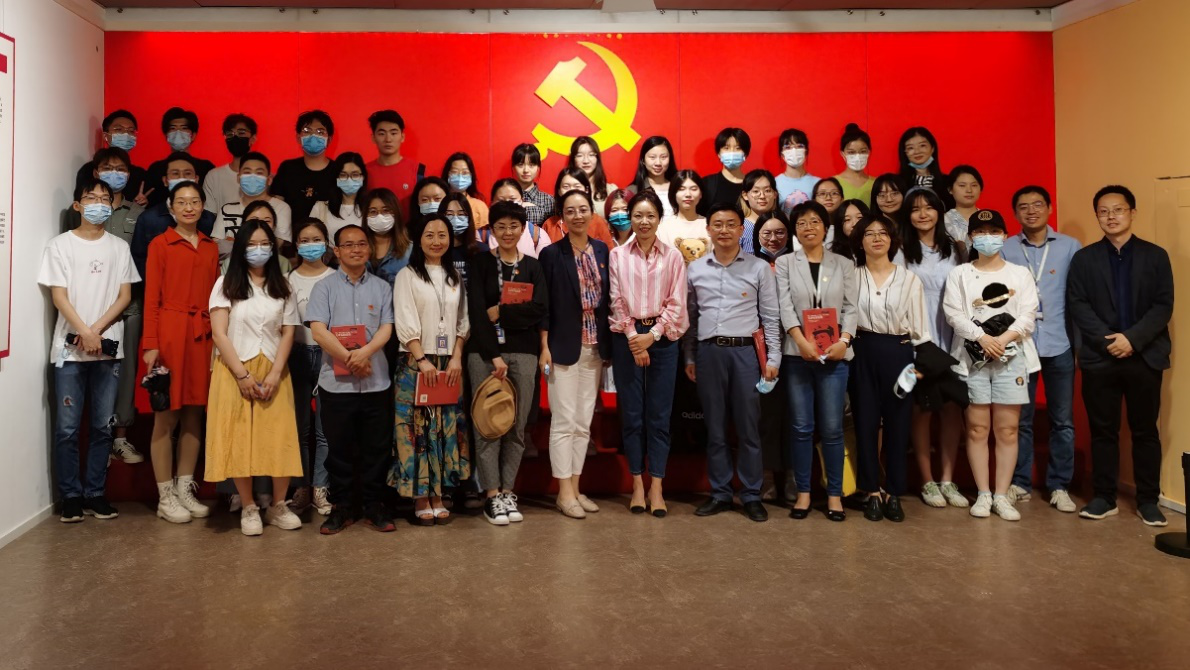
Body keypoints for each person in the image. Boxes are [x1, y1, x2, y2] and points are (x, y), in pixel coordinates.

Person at [1067, 185, 1173, 526]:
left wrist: (1132, 339)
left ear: (1132, 212)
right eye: (1103, 211)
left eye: (1118, 210)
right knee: (1103, 431)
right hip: (1101, 358)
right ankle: (1104, 496)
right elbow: (1078, 305)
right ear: (1097, 216)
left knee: (1145, 431)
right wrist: (1108, 341)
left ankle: (1148, 500)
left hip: (1144, 356)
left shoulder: (1156, 256)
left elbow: (1163, 305)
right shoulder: (1084, 259)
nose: (1111, 216)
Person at [39, 178, 140, 523]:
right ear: (78, 205)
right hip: (69, 350)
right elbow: (59, 296)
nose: (98, 203)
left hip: (107, 348)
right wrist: (83, 331)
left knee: (102, 426)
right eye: (90, 197)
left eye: (104, 198)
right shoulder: (59, 245)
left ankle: (95, 493)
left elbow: (125, 296)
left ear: (112, 206)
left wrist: (95, 331)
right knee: (67, 428)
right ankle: (70, 496)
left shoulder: (119, 247)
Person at [205, 219, 304, 536]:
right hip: (234, 370)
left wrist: (275, 373)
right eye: (251, 245)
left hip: (274, 370)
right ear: (239, 248)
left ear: (273, 248)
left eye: (264, 244)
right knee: (239, 438)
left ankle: (278, 505)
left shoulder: (283, 285)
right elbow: (219, 334)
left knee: (279, 438)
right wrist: (242, 375)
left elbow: (288, 332)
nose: (258, 250)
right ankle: (248, 506)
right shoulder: (225, 284)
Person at [685, 203, 781, 523]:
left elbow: (770, 317)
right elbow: (691, 318)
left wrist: (773, 358)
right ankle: (721, 493)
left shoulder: (758, 268)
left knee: (748, 427)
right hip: (709, 353)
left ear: (742, 230)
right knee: (715, 427)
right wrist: (690, 356)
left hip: (745, 354)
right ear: (708, 230)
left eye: (731, 224)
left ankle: (751, 494)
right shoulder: (695, 269)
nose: (724, 230)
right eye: (718, 224)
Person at [943, 209, 1039, 522]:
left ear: (1004, 236)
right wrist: (983, 338)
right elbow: (953, 313)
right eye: (981, 232)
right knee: (977, 428)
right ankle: (983, 493)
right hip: (973, 358)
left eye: (994, 231)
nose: (988, 237)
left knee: (1008, 429)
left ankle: (1002, 494)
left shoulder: (1019, 274)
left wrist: (1003, 339)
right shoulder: (960, 274)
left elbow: (1028, 315)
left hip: (1012, 358)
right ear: (971, 237)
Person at [306, 224, 396, 534]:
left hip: (376, 382)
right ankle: (341, 508)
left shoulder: (382, 288)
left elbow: (387, 328)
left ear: (369, 249)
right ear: (337, 251)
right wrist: (350, 358)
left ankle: (374, 506)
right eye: (348, 245)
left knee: (376, 449)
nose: (356, 249)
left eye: (361, 244)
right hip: (336, 383)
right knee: (338, 451)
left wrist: (364, 354)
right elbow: (318, 331)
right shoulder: (324, 288)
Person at [466, 201, 549, 525]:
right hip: (485, 355)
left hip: (525, 353)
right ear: (491, 230)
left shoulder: (533, 267)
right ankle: (491, 494)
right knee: (487, 425)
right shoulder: (480, 263)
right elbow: (476, 312)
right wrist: (494, 355)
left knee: (516, 427)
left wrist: (501, 311)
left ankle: (507, 492)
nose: (507, 232)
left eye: (514, 226)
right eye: (500, 226)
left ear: (523, 229)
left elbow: (539, 309)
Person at [142, 181, 220, 523]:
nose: (189, 207)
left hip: (202, 335)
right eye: (182, 202)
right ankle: (165, 496)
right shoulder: (160, 244)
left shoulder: (210, 247)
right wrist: (151, 344)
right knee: (166, 415)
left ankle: (185, 488)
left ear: (202, 206)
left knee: (194, 413)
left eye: (195, 201)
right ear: (171, 208)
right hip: (170, 333)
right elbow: (151, 298)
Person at [776, 201, 857, 521]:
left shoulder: (843, 264)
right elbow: (784, 306)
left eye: (814, 222)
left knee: (833, 428)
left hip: (835, 356)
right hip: (798, 355)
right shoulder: (785, 263)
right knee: (800, 427)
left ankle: (835, 495)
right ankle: (804, 493)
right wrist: (800, 341)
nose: (808, 228)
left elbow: (851, 307)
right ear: (794, 231)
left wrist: (843, 341)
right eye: (801, 223)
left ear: (826, 227)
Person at [1002, 186, 1081, 513]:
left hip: (1059, 342)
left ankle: (1059, 485)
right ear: (1015, 213)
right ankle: (1020, 482)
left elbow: (1079, 296)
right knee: (1020, 419)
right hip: (1020, 345)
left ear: (1049, 208)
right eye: (1023, 207)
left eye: (1037, 205)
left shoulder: (1070, 247)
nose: (1031, 211)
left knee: (1062, 420)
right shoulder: (1006, 248)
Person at [609, 190, 688, 517]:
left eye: (650, 216)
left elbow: (677, 302)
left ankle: (657, 485)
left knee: (659, 416)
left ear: (659, 219)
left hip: (663, 340)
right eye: (638, 215)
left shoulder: (673, 257)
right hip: (626, 339)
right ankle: (637, 485)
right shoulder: (617, 255)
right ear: (630, 217)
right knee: (632, 415)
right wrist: (634, 338)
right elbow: (616, 300)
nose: (644, 222)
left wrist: (651, 337)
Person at [69, 147, 147, 465]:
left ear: (129, 174)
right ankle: (95, 438)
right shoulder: (79, 210)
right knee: (87, 374)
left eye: (120, 168)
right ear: (95, 172)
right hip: (89, 308)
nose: (114, 173)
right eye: (107, 167)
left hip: (128, 307)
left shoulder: (138, 213)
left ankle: (120, 438)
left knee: (125, 373)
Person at [391, 214, 472, 525]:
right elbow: (404, 318)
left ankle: (439, 494)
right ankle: (420, 497)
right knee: (417, 430)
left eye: (442, 235)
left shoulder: (454, 276)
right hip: (416, 362)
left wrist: (456, 356)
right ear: (418, 239)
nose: (436, 241)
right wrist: (422, 359)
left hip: (448, 363)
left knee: (444, 428)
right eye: (429, 235)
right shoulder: (407, 275)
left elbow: (463, 320)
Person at [851, 215, 930, 523]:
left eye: (883, 233)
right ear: (860, 241)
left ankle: (894, 492)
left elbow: (920, 327)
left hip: (900, 354)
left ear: (892, 240)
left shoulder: (909, 279)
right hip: (861, 352)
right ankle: (871, 490)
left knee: (898, 425)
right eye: (869, 234)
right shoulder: (851, 277)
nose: (876, 238)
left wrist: (918, 367)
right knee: (865, 424)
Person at [539, 190, 612, 519]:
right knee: (563, 421)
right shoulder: (551, 254)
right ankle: (563, 492)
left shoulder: (602, 250)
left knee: (583, 422)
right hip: (562, 346)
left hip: (595, 346)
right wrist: (544, 346)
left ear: (591, 213)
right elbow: (544, 306)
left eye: (583, 209)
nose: (578, 216)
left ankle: (577, 488)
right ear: (562, 217)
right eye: (571, 211)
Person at [899, 188, 968, 509]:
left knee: (952, 409)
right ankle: (927, 481)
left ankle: (948, 479)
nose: (922, 214)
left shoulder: (955, 249)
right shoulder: (901, 250)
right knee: (923, 409)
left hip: (953, 337)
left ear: (939, 212)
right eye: (915, 209)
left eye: (928, 208)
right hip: (921, 338)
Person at [286, 219, 336, 516]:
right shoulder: (287, 280)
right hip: (296, 355)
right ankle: (301, 486)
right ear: (295, 244)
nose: (310, 245)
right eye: (304, 240)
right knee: (299, 427)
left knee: (324, 429)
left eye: (316, 239)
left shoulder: (335, 277)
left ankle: (320, 486)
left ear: (326, 243)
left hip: (329, 355)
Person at [751, 209, 794, 502]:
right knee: (765, 416)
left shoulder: (798, 263)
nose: (773, 238)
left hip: (797, 347)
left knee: (794, 415)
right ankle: (766, 476)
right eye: (766, 233)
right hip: (760, 350)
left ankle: (791, 475)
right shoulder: (750, 264)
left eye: (780, 232)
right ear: (757, 236)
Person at [130, 153, 217, 276]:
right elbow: (139, 260)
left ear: (197, 179)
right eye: (175, 174)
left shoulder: (209, 219)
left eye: (187, 173)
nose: (181, 178)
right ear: (165, 180)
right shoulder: (148, 218)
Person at [211, 151, 293, 255]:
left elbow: (276, 244)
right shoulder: (227, 209)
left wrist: (233, 243)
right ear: (238, 178)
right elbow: (217, 246)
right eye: (247, 172)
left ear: (269, 180)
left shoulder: (281, 207)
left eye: (259, 173)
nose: (252, 177)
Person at [270, 109, 336, 221]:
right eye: (307, 131)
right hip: (291, 231)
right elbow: (277, 206)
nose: (313, 136)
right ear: (298, 138)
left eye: (320, 132)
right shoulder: (287, 169)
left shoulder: (338, 171)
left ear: (329, 139)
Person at [74, 110, 150, 207]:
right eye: (119, 129)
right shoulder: (88, 170)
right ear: (105, 136)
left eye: (131, 131)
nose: (126, 134)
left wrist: (141, 205)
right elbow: (80, 204)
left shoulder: (140, 175)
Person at [144, 107, 215, 208]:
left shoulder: (206, 168)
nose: (178, 132)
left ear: (193, 135)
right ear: (166, 135)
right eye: (173, 128)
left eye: (184, 128)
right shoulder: (156, 169)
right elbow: (150, 202)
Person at [365, 109, 424, 218]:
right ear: (373, 138)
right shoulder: (364, 172)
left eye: (393, 133)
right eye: (382, 134)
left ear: (402, 137)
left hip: (409, 228)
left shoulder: (417, 171)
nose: (388, 139)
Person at [541, 168, 614, 246]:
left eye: (577, 186)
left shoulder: (598, 222)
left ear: (586, 190)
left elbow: (608, 251)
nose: (571, 191)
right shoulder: (549, 225)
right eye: (566, 187)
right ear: (559, 191)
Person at [203, 113, 258, 215]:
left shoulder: (263, 177)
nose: (235, 137)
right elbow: (210, 216)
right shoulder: (213, 176)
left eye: (241, 133)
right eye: (230, 134)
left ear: (253, 138)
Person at [310, 152, 367, 241]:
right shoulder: (321, 208)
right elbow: (312, 238)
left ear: (363, 177)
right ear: (336, 178)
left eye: (355, 175)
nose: (349, 179)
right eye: (343, 175)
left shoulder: (371, 207)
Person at [362, 187, 412, 285]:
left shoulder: (410, 250)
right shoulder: (357, 249)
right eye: (373, 212)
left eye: (386, 211)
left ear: (396, 213)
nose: (379, 216)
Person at [489, 178, 550, 257]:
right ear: (492, 203)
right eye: (501, 200)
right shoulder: (481, 235)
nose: (507, 205)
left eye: (512, 199)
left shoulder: (538, 235)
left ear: (522, 201)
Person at [656, 170, 709, 257]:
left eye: (693, 189)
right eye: (681, 189)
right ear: (674, 193)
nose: (688, 194)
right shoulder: (662, 229)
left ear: (701, 194)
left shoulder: (709, 226)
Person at [702, 127, 750, 211]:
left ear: (745, 154)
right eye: (726, 148)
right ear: (719, 154)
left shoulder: (752, 185)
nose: (732, 152)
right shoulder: (706, 184)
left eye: (738, 148)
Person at [569, 135, 619, 215]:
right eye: (579, 155)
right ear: (573, 160)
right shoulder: (567, 189)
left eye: (591, 155)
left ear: (597, 159)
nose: (586, 161)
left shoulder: (611, 190)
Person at [630, 136, 678, 217]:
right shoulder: (632, 191)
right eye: (652, 157)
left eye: (663, 157)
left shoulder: (679, 187)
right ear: (643, 160)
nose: (658, 163)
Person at [775, 128, 819, 216]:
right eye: (788, 147)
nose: (794, 151)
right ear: (782, 154)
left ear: (806, 151)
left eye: (799, 146)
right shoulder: (774, 183)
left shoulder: (818, 183)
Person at [442, 151, 489, 232]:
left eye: (465, 173)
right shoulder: (440, 204)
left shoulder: (480, 207)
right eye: (454, 172)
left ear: (471, 176)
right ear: (448, 175)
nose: (460, 176)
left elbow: (486, 235)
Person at [512, 143, 555, 228]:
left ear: (538, 168)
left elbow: (553, 231)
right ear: (513, 168)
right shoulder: (505, 198)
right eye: (520, 165)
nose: (526, 170)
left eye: (531, 165)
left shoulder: (549, 201)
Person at [739, 169, 779, 255]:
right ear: (745, 195)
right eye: (756, 191)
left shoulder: (783, 224)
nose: (762, 196)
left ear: (775, 194)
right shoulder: (740, 228)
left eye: (767, 191)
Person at [835, 123, 875, 204]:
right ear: (842, 154)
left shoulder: (876, 183)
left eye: (863, 151)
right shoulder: (833, 184)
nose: (857, 156)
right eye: (851, 152)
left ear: (869, 152)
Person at [945, 165, 983, 242]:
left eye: (974, 185)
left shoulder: (988, 219)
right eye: (962, 185)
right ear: (950, 189)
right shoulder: (944, 220)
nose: (969, 190)